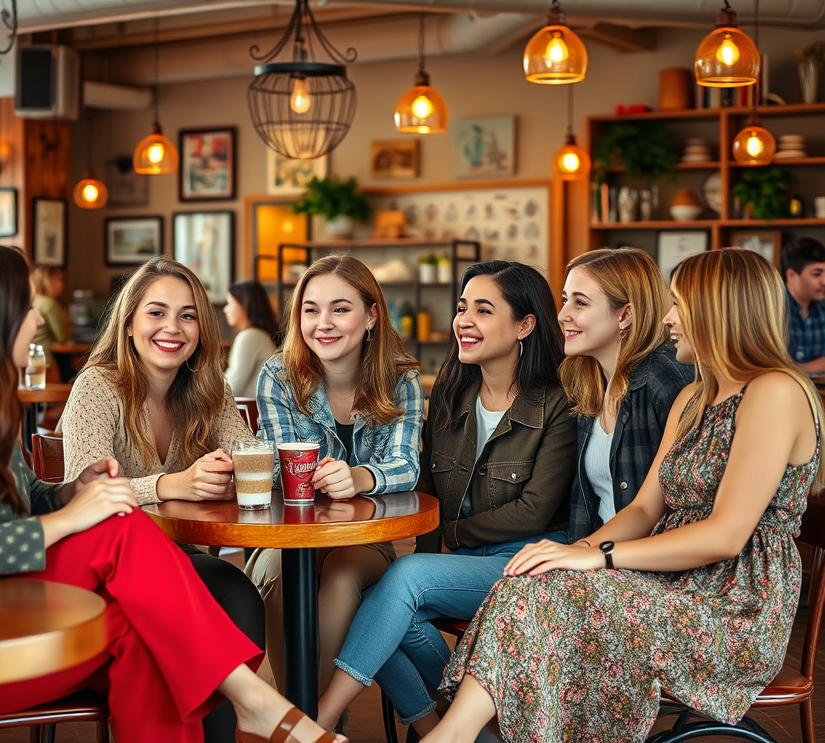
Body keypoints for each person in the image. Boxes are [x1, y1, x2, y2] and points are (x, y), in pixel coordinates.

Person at [0, 238, 344, 743]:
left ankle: (254, 705)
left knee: (147, 634)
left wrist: (77, 492)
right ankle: (258, 703)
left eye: (188, 315)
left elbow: (32, 498)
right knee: (122, 530)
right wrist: (71, 517)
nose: (35, 321)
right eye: (24, 308)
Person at [425, 247, 825, 743]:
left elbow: (727, 536)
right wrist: (574, 552)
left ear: (720, 310)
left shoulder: (775, 391)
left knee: (549, 598)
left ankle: (451, 738)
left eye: (679, 303)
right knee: (532, 584)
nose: (668, 319)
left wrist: (601, 558)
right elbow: (643, 507)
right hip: (676, 589)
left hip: (732, 611)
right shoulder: (693, 397)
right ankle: (455, 737)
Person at [317, 261, 576, 738]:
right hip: (465, 561)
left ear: (524, 325)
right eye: (461, 308)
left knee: (405, 580)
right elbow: (430, 493)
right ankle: (450, 726)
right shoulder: (452, 396)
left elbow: (534, 510)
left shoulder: (558, 402)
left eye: (483, 309)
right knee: (379, 604)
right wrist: (435, 549)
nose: (464, 321)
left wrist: (448, 539)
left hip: (531, 562)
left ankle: (319, 721)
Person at [60, 255, 267, 742]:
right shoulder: (97, 386)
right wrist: (171, 485)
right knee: (217, 594)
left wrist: (235, 472)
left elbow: (249, 457)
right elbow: (83, 493)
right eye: (156, 312)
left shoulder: (209, 390)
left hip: (180, 559)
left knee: (236, 591)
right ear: (128, 322)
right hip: (104, 572)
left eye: (188, 314)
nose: (172, 327)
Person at [247, 254, 424, 698]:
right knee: (277, 573)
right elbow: (276, 471)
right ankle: (304, 718)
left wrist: (361, 477)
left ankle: (304, 722)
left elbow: (407, 465)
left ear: (371, 316)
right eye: (311, 309)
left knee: (343, 576)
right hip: (290, 531)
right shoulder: (278, 375)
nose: (322, 323)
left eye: (340, 309)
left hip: (365, 537)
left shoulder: (401, 379)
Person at [559, 248, 693, 541]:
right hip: (596, 555)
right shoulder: (589, 380)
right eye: (565, 300)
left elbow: (676, 510)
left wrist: (582, 555)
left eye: (580, 303)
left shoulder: (663, 379)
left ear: (625, 315)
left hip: (640, 565)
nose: (562, 315)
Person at [781, 236, 825, 372]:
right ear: (791, 275)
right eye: (817, 274)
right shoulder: (770, 311)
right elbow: (761, 369)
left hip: (824, 392)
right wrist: (808, 368)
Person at [224, 280, 280, 398]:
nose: (226, 309)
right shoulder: (260, 335)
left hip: (252, 414)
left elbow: (230, 388)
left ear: (244, 304)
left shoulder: (249, 337)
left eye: (229, 303)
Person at [30, 264, 74, 381]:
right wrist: (68, 324)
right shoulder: (50, 304)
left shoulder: (33, 300)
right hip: (46, 360)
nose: (62, 284)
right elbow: (62, 336)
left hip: (32, 358)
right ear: (47, 281)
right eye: (59, 279)